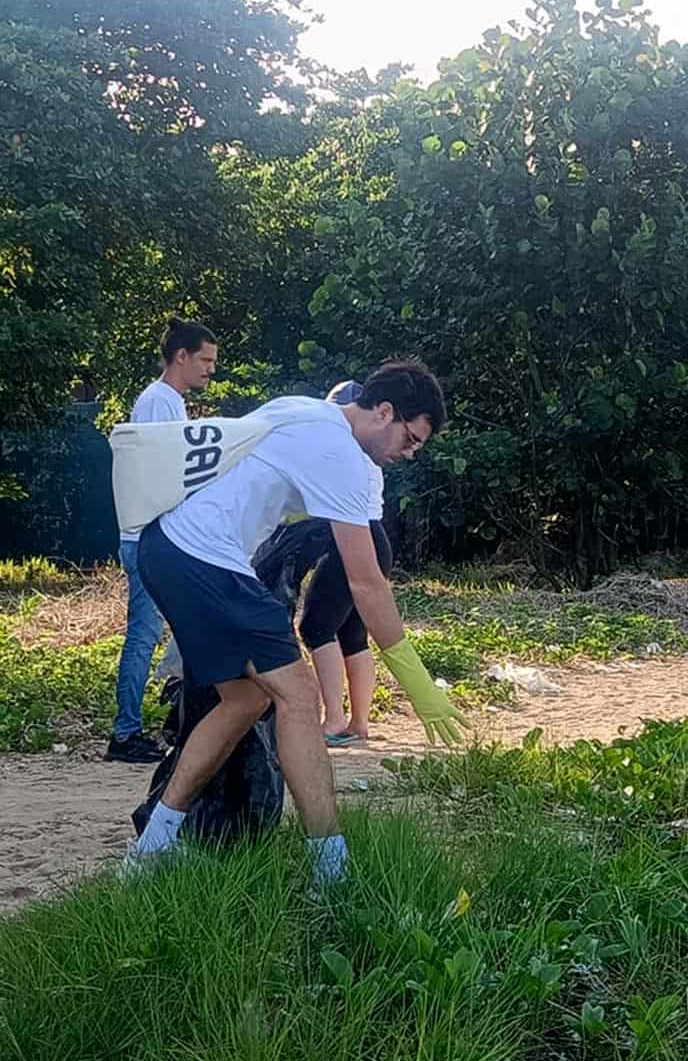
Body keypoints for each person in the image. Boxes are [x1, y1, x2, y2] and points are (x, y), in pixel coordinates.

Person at [123, 361, 469, 889]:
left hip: (168, 546)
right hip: (204, 557)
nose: (411, 452)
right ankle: (331, 872)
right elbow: (367, 583)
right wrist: (418, 684)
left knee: (247, 698)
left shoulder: (308, 411)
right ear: (384, 412)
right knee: (300, 698)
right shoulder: (341, 456)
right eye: (412, 438)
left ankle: (153, 847)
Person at [108, 320, 219, 764]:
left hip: (155, 536)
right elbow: (163, 475)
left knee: (176, 627)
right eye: (206, 360)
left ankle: (171, 717)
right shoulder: (159, 403)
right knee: (145, 635)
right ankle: (126, 733)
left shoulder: (168, 401)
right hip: (150, 538)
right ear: (182, 357)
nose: (212, 369)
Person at [286, 380, 394, 747]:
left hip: (350, 539)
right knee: (352, 635)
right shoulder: (371, 453)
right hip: (377, 538)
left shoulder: (345, 449)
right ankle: (359, 721)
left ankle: (333, 719)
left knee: (315, 627)